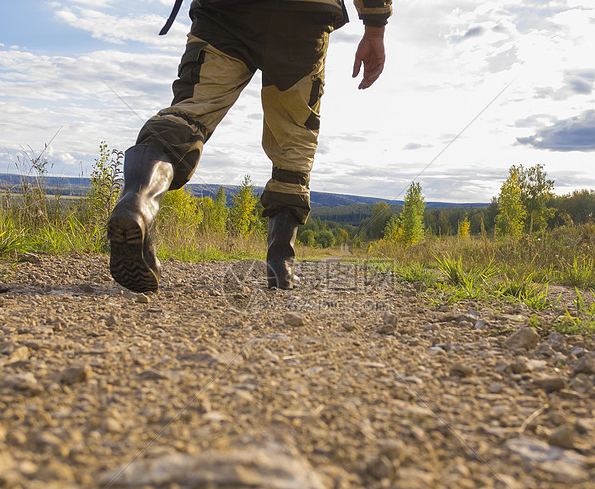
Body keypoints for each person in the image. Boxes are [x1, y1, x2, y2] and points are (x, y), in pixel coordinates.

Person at [107, 0, 392, 293]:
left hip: (224, 12)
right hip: (303, 14)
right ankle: (281, 265)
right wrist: (374, 26)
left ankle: (139, 203)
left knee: (190, 113)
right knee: (294, 136)